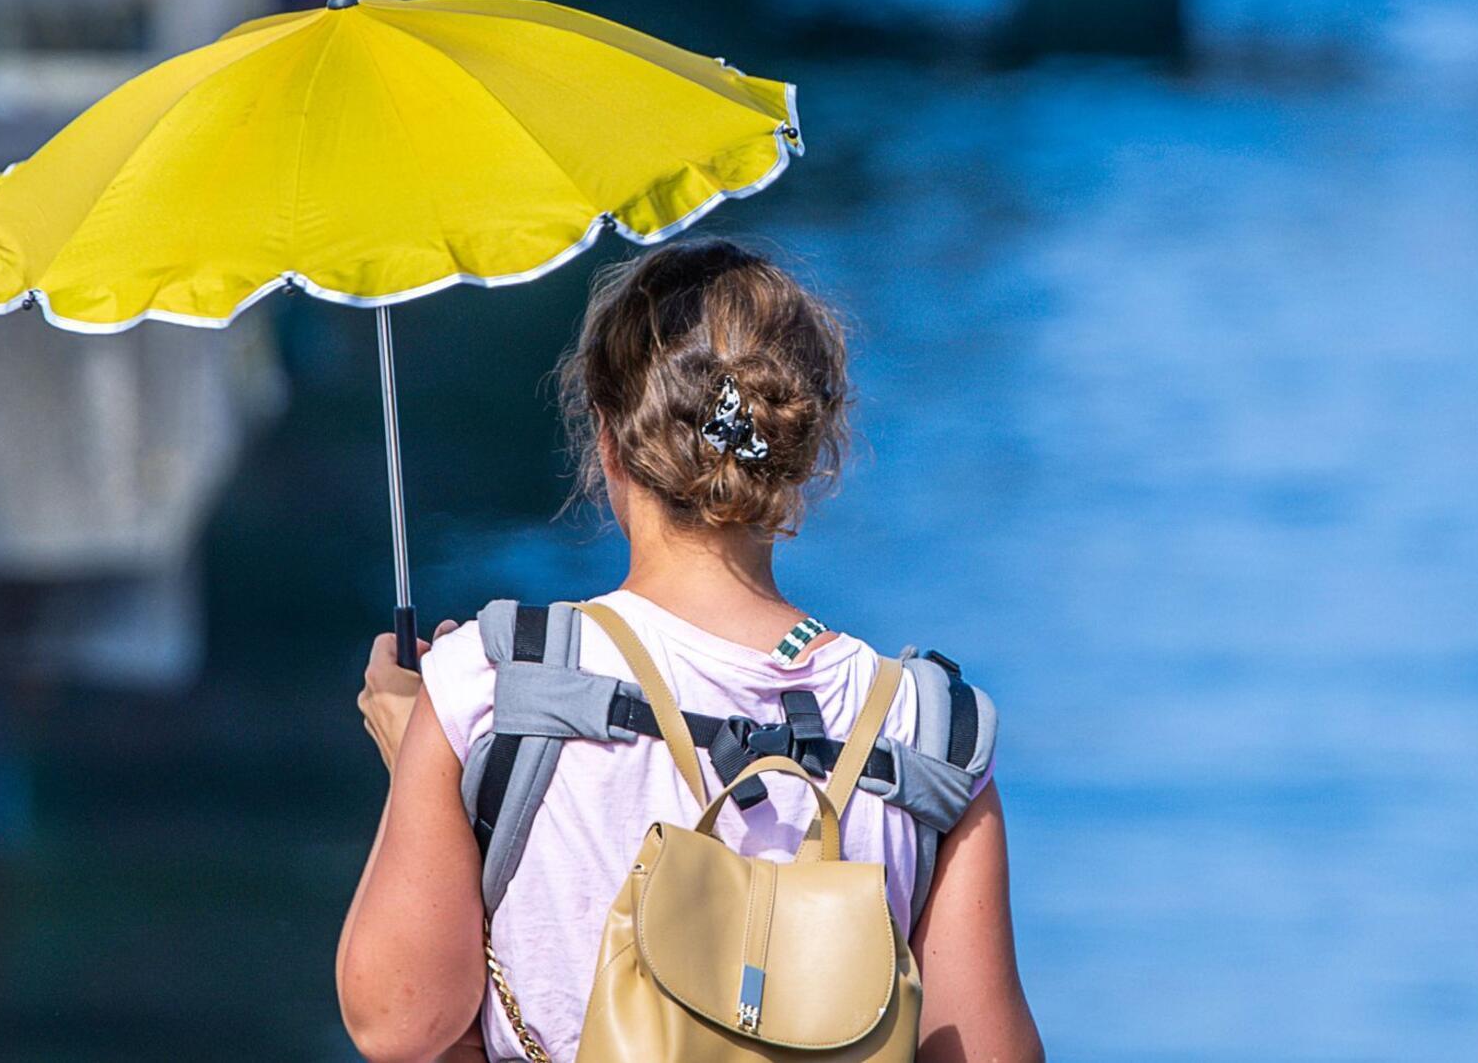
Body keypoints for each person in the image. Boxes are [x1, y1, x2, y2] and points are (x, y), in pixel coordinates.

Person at [336, 239, 1045, 1063]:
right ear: (805, 454)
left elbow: (398, 1023)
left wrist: (428, 762)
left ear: (605, 444)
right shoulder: (931, 731)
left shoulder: (497, 684)